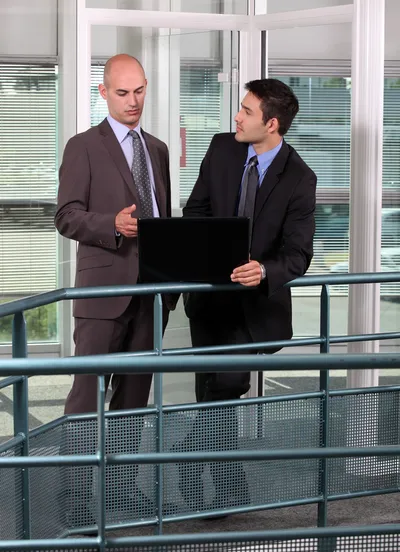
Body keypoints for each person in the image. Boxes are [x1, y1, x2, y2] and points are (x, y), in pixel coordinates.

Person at [179, 78, 317, 513]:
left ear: (271, 123)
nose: (236, 117)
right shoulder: (222, 149)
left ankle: (189, 461)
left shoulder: (299, 177)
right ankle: (226, 486)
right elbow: (195, 211)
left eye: (246, 111)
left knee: (227, 384)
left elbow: (298, 254)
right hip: (210, 298)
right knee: (214, 389)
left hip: (254, 306)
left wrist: (263, 270)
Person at [55, 54, 174, 524]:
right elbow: (65, 215)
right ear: (103, 93)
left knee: (133, 399)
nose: (133, 102)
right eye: (122, 93)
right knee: (87, 398)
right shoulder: (83, 146)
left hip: (150, 295)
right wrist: (115, 225)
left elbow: (162, 219)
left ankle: (121, 492)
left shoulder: (158, 150)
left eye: (140, 91)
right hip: (102, 293)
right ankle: (76, 503)